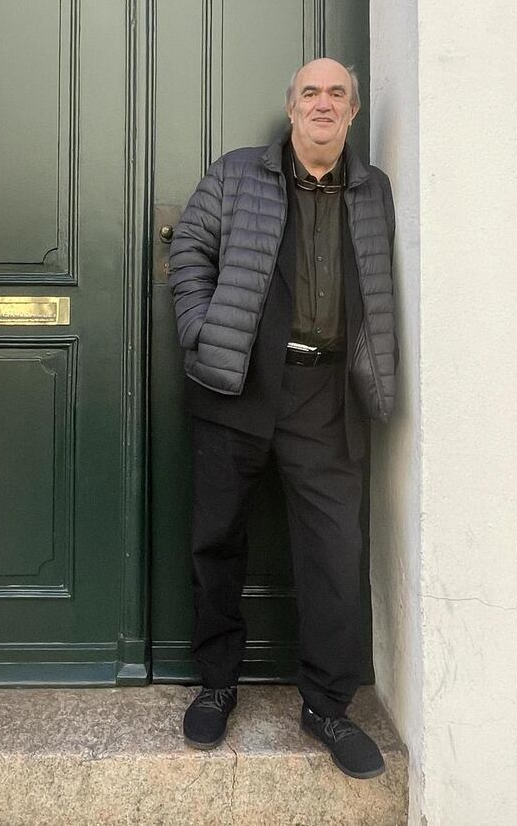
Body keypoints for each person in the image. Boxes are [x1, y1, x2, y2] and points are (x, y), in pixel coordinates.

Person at [167, 57, 397, 780]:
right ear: (290, 107)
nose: (323, 104)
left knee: (334, 553)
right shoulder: (237, 174)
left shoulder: (374, 191)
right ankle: (217, 682)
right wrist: (202, 330)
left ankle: (327, 705)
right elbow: (190, 254)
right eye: (310, 92)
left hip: (326, 392)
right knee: (217, 539)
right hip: (236, 380)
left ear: (352, 112)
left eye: (337, 94)